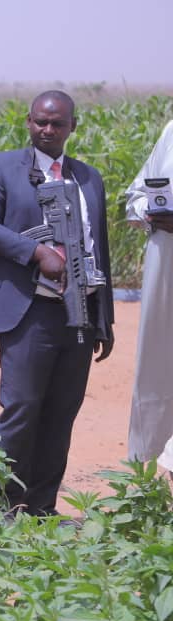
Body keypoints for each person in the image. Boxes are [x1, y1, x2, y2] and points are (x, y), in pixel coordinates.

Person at [0, 90, 114, 516]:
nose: (47, 130)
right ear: (29, 122)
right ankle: (3, 508)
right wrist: (37, 254)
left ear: (73, 126)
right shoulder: (0, 167)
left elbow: (99, 248)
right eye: (39, 122)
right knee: (22, 409)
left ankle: (41, 507)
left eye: (56, 124)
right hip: (28, 309)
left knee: (61, 413)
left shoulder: (88, 178)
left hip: (79, 315)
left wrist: (103, 321)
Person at [124, 119, 173, 466]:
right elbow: (136, 196)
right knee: (159, 364)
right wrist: (153, 212)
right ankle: (146, 470)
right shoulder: (172, 132)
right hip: (166, 263)